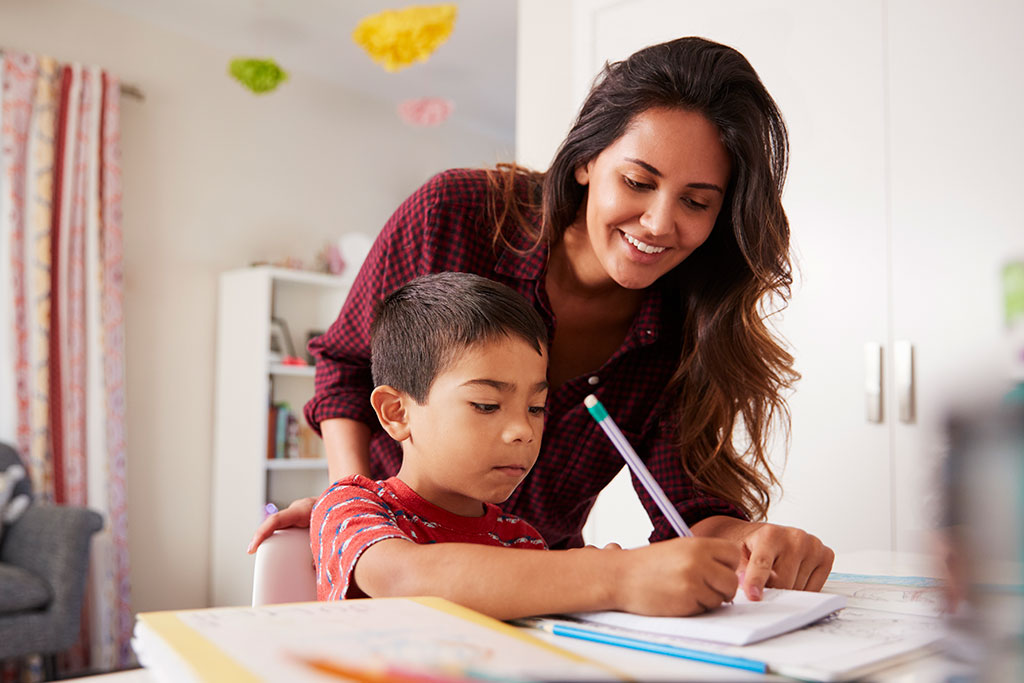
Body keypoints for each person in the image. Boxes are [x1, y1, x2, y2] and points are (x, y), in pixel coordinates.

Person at [251, 36, 835, 601]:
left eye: (697, 201)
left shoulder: (688, 327)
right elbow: (348, 368)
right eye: (638, 182)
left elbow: (687, 513)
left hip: (540, 594)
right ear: (586, 160)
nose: (659, 222)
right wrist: (350, 499)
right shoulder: (453, 215)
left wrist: (749, 541)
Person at [313, 272, 743, 619]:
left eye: (536, 407)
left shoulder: (520, 541)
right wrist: (614, 576)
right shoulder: (352, 507)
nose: (523, 430)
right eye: (486, 404)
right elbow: (405, 578)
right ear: (396, 412)